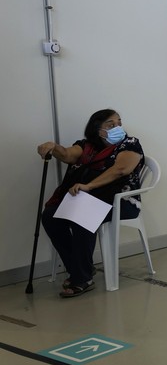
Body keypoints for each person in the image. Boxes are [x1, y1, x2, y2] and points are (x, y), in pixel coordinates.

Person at [38, 109, 144, 298]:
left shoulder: (130, 143)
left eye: (119, 123)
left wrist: (89, 186)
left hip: (121, 201)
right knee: (50, 216)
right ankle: (81, 268)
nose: (117, 127)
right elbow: (68, 155)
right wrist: (53, 147)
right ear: (98, 129)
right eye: (110, 125)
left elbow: (121, 169)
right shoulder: (87, 147)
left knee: (82, 217)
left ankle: (82, 278)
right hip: (89, 199)